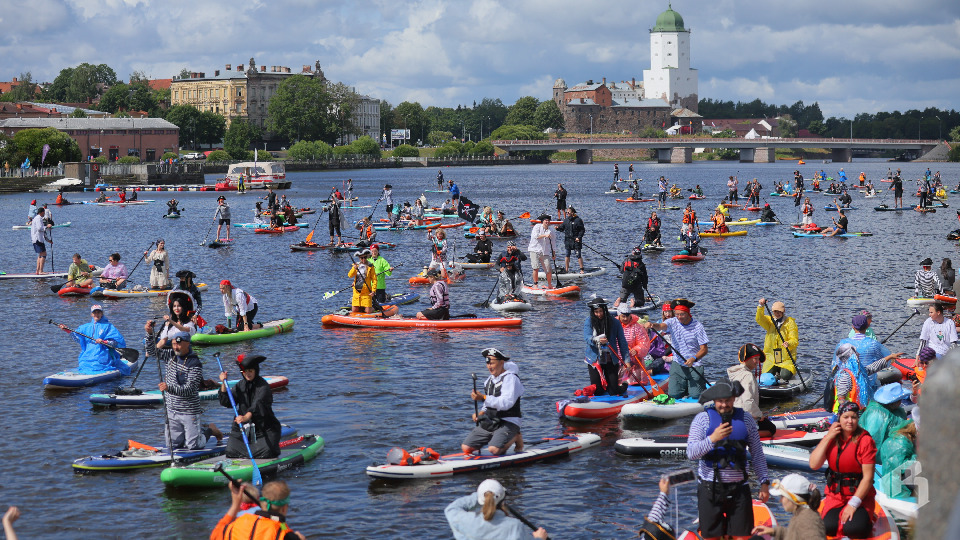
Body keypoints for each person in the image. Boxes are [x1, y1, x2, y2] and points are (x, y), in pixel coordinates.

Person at [686, 381, 770, 540]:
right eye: (720, 401)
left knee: (742, 537)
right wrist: (712, 439)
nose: (724, 404)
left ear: (734, 399)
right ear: (714, 400)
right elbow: (691, 453)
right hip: (710, 488)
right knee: (711, 537)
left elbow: (757, 453)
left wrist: (764, 482)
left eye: (727, 400)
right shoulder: (702, 419)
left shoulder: (746, 420)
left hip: (739, 489)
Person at [145, 323, 220, 450]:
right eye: (174, 344)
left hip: (189, 410)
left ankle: (210, 430)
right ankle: (192, 433)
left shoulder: (194, 363)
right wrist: (149, 334)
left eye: (179, 344)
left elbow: (189, 389)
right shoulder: (170, 355)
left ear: (187, 344)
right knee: (172, 445)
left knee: (194, 445)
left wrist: (169, 388)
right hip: (171, 410)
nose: (176, 347)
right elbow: (152, 352)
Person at [809, 401, 878, 539]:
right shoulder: (832, 437)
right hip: (836, 496)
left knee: (854, 529)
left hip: (860, 497)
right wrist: (828, 437)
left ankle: (868, 518)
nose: (850, 421)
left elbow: (868, 478)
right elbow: (814, 465)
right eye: (846, 417)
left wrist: (853, 504)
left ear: (858, 419)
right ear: (839, 418)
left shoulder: (865, 441)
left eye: (854, 417)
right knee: (828, 528)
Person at [218, 354, 282, 459]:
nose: (248, 374)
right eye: (245, 371)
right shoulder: (240, 385)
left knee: (266, 453)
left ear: (256, 370)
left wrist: (245, 417)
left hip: (264, 428)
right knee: (230, 452)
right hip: (243, 428)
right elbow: (227, 402)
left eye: (250, 371)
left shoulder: (263, 386)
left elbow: (258, 404)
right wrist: (223, 384)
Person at [643, 299, 709, 399]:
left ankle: (696, 387)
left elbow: (704, 349)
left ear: (688, 313)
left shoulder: (698, 327)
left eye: (681, 314)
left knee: (695, 396)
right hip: (678, 363)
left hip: (694, 365)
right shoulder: (672, 322)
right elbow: (661, 326)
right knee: (674, 395)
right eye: (676, 314)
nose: (678, 317)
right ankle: (686, 386)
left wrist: (693, 358)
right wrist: (652, 325)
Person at [462, 349, 524, 455]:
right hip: (492, 421)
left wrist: (483, 397)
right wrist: (480, 413)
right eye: (488, 363)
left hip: (508, 421)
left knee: (494, 450)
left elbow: (506, 403)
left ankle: (516, 437)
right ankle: (496, 438)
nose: (489, 367)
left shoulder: (511, 379)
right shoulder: (489, 381)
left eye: (492, 363)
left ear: (501, 362)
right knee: (466, 448)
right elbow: (488, 403)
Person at [445, 479, 548, 540]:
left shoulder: (465, 520)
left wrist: (481, 495)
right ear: (502, 500)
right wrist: (539, 538)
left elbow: (451, 508)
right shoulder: (514, 526)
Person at [57, 305, 131, 375]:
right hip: (87, 355)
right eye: (94, 312)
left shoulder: (108, 326)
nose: (96, 314)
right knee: (83, 363)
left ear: (102, 313)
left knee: (98, 364)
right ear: (91, 314)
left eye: (98, 312)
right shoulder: (84, 327)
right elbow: (78, 340)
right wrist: (68, 331)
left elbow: (116, 342)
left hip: (102, 355)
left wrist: (104, 341)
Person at [751, 473, 826, 540]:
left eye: (782, 497)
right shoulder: (803, 514)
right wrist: (773, 531)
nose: (780, 500)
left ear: (793, 498)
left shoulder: (807, 518)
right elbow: (797, 535)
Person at [583, 297, 630, 396]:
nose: (599, 314)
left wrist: (626, 361)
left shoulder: (615, 322)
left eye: (601, 311)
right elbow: (587, 337)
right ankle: (601, 387)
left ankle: (623, 385)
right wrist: (597, 340)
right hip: (594, 359)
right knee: (598, 391)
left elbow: (622, 342)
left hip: (610, 358)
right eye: (596, 312)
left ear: (605, 310)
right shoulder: (589, 321)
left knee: (613, 391)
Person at [728, 344, 776, 437]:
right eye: (755, 359)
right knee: (771, 429)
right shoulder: (748, 376)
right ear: (747, 359)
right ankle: (742, 434)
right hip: (742, 417)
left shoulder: (737, 373)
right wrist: (759, 415)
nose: (758, 362)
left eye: (758, 359)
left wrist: (759, 412)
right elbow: (747, 401)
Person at [755, 298, 798, 380]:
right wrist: (761, 306)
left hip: (786, 358)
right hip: (771, 358)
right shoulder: (770, 321)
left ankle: (785, 371)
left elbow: (794, 340)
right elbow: (759, 319)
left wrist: (788, 343)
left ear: (783, 311)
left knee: (785, 376)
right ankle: (776, 370)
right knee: (766, 376)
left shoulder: (790, 323)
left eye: (779, 312)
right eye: (775, 311)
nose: (777, 314)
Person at [616, 303, 654, 386]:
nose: (626, 318)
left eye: (627, 316)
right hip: (618, 359)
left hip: (634, 359)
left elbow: (644, 342)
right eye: (623, 316)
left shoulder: (637, 327)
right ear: (619, 315)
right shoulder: (614, 326)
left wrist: (637, 349)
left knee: (634, 381)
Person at [527, 214, 554, 289]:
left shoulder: (551, 230)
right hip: (534, 250)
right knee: (536, 267)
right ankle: (535, 284)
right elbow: (536, 236)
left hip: (545, 251)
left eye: (548, 221)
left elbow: (553, 242)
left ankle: (550, 285)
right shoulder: (537, 227)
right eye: (546, 220)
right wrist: (545, 235)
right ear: (542, 222)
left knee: (548, 269)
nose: (547, 222)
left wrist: (553, 253)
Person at [556, 206, 585, 274]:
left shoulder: (578, 220)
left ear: (572, 212)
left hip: (576, 240)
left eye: (568, 212)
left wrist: (579, 237)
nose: (567, 213)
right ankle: (566, 269)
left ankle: (582, 269)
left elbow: (582, 230)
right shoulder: (566, 220)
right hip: (568, 241)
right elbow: (562, 228)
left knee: (578, 255)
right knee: (567, 255)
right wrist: (557, 228)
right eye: (566, 212)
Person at [348, 249, 376, 314]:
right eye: (361, 258)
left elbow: (374, 279)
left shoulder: (370, 266)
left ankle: (374, 307)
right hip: (357, 292)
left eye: (365, 257)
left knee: (368, 311)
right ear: (359, 258)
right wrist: (354, 269)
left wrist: (373, 291)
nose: (363, 259)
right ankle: (360, 308)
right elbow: (350, 275)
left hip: (366, 292)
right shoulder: (356, 265)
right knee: (354, 310)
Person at [30, 206, 49, 274]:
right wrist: (47, 226)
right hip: (38, 239)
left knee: (40, 254)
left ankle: (37, 271)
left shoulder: (36, 218)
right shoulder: (38, 218)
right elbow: (39, 228)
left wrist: (48, 240)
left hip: (36, 239)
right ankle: (41, 271)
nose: (44, 214)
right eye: (44, 212)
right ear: (41, 212)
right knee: (44, 254)